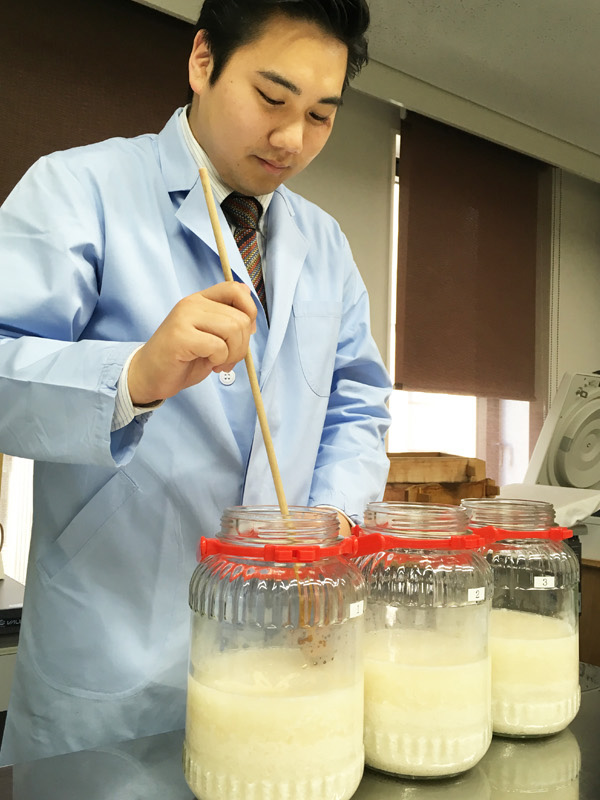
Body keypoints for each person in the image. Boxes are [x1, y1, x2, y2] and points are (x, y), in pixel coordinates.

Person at [0, 0, 391, 763]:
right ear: (203, 61)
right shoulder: (80, 189)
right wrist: (133, 377)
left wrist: (329, 529)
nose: (291, 139)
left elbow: (356, 405)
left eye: (320, 115)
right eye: (272, 100)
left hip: (278, 656)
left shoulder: (323, 243)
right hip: (116, 668)